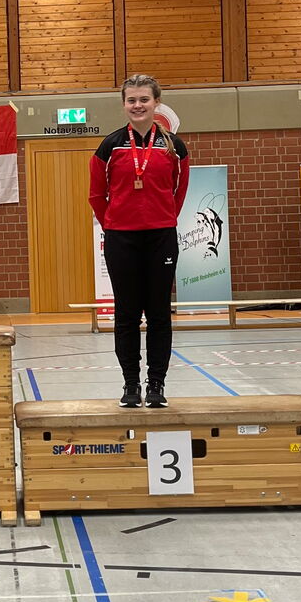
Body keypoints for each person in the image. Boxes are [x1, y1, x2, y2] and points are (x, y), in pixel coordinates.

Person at [89, 74, 189, 409]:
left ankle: (156, 384)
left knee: (159, 314)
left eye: (144, 99)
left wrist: (163, 219)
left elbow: (179, 190)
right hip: (122, 240)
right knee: (127, 314)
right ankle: (131, 383)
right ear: (124, 104)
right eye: (131, 100)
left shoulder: (174, 146)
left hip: (161, 238)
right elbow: (96, 194)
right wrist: (113, 225)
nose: (137, 105)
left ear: (156, 102)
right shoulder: (110, 146)